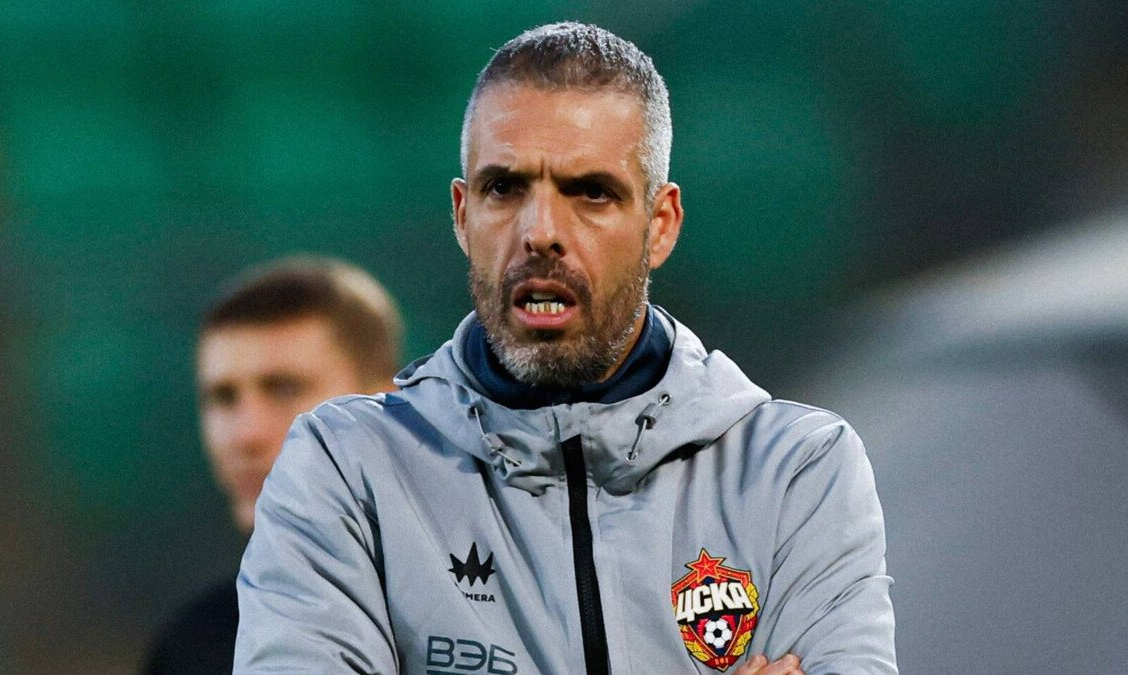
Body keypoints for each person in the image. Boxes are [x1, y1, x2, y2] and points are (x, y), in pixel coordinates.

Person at [236, 23, 895, 674]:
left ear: (659, 225)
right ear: (463, 216)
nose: (542, 231)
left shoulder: (797, 472)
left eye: (591, 193)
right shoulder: (346, 469)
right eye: (505, 188)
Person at [143, 256, 403, 674]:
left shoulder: (484, 614)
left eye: (284, 389)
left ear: (384, 406)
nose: (245, 435)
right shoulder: (192, 649)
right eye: (224, 397)